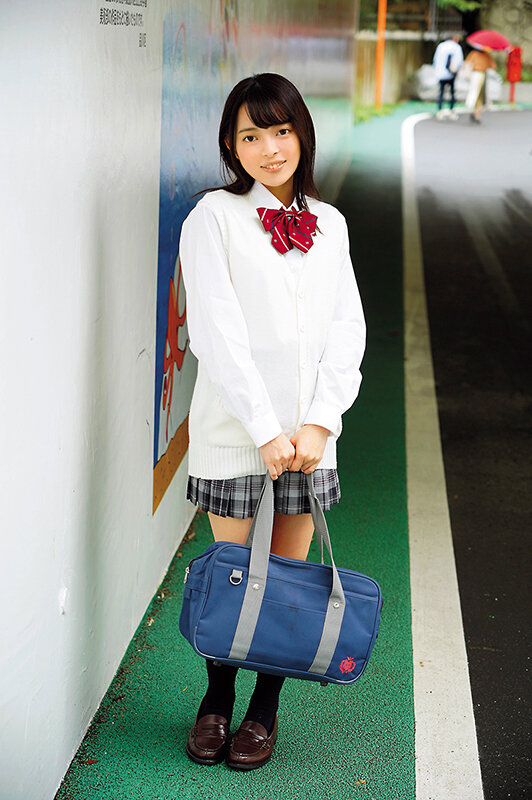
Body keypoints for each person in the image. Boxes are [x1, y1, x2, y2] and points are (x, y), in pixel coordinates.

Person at [178, 73, 365, 770]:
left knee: (287, 580)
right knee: (234, 576)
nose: (270, 148)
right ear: (232, 147)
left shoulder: (331, 223)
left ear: (301, 134)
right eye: (251, 136)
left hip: (310, 442)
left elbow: (347, 330)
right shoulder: (213, 218)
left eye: (280, 130)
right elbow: (216, 335)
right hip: (237, 436)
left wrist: (320, 423)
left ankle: (264, 708)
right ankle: (217, 698)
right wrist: (264, 428)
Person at [432, 35, 464, 120]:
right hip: (451, 74)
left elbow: (435, 60)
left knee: (441, 92)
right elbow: (459, 61)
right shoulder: (456, 47)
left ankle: (439, 111)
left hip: (440, 73)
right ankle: (451, 111)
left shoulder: (440, 46)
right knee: (452, 92)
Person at [465, 46, 496, 123]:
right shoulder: (487, 56)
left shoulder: (474, 54)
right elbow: (493, 66)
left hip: (475, 74)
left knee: (475, 94)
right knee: (480, 96)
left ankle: (474, 112)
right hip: (483, 75)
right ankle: (477, 115)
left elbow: (468, 63)